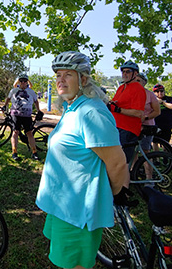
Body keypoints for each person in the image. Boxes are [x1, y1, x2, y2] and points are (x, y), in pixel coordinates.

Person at [36, 51, 130, 269]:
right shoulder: (73, 108)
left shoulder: (91, 112)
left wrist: (116, 194)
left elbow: (117, 163)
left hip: (77, 210)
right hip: (61, 203)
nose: (60, 79)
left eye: (68, 74)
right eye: (58, 75)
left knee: (73, 265)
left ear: (84, 79)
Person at [107, 60, 146, 163]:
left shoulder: (138, 89)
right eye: (123, 71)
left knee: (122, 163)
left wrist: (118, 109)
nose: (124, 74)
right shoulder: (122, 87)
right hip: (116, 127)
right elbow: (118, 103)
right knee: (112, 160)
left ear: (135, 73)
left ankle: (125, 179)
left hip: (128, 129)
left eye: (128, 71)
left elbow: (138, 113)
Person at [2, 74, 43, 161]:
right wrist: (4, 106)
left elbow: (36, 101)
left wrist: (38, 110)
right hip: (15, 114)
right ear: (18, 82)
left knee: (29, 133)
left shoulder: (31, 92)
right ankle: (14, 152)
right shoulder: (14, 90)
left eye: (25, 81)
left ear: (27, 82)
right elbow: (8, 99)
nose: (23, 82)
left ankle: (34, 152)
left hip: (27, 115)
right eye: (21, 81)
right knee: (15, 132)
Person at [135, 73, 160, 181]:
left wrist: (145, 118)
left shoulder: (150, 95)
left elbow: (157, 111)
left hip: (146, 127)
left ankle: (149, 179)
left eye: (139, 81)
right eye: (134, 80)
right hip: (133, 127)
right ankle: (134, 174)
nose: (136, 83)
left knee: (145, 152)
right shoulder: (132, 94)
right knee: (133, 152)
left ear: (144, 82)